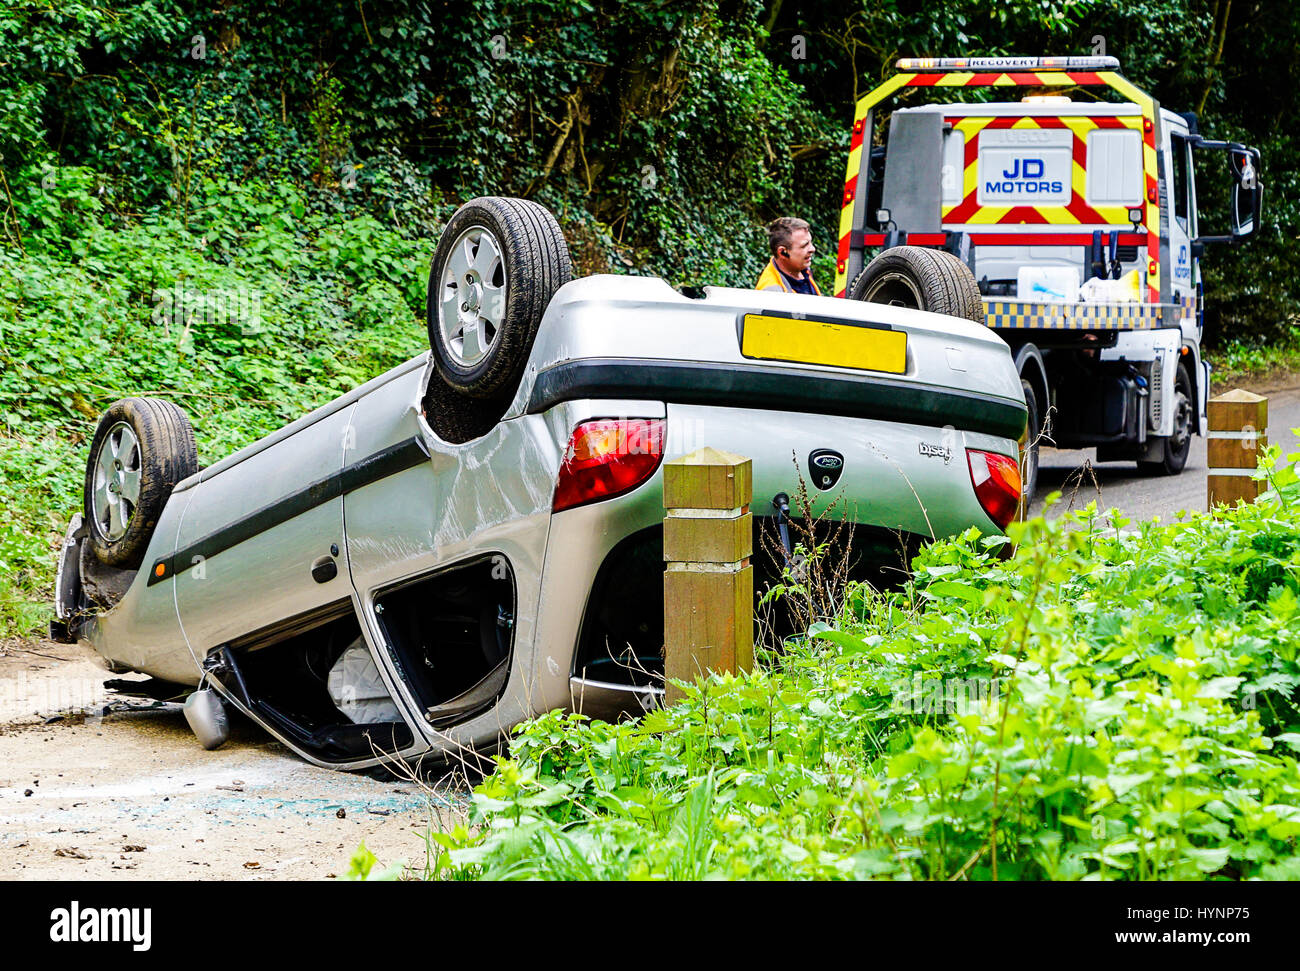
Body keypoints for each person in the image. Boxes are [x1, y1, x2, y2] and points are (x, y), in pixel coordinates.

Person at [755, 216, 821, 294]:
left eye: (810, 242)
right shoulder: (772, 293)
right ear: (782, 252)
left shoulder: (802, 269)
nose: (812, 249)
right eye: (804, 245)